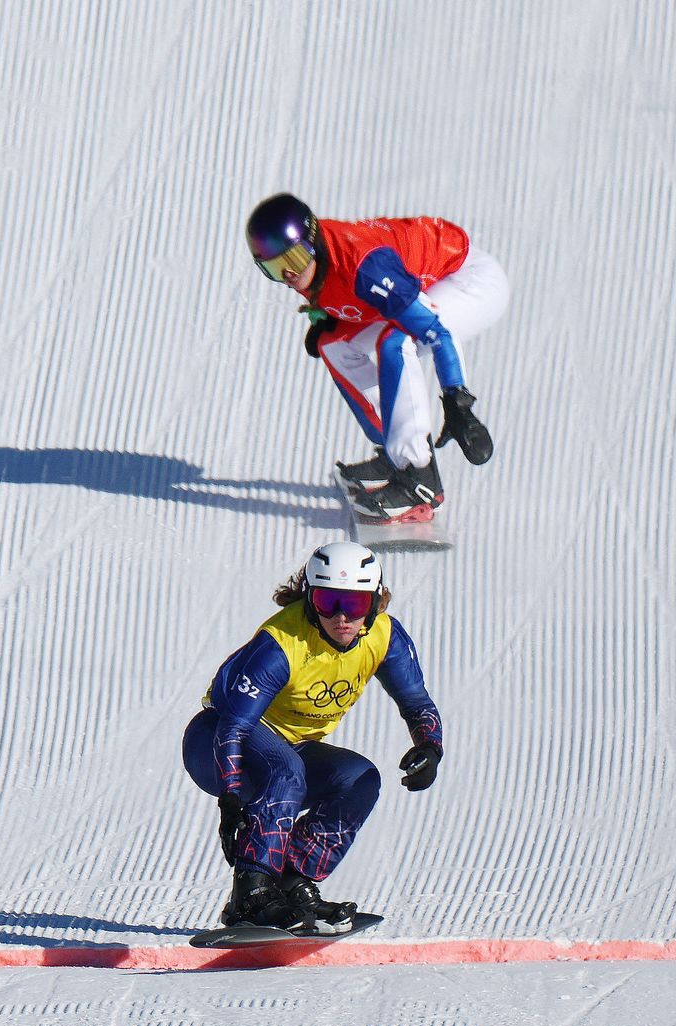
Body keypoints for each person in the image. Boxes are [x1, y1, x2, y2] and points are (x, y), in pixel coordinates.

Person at [180, 541, 444, 932]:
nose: (340, 617)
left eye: (353, 604)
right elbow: (233, 727)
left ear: (374, 603)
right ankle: (251, 894)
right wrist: (231, 798)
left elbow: (417, 702)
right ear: (309, 601)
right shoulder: (283, 644)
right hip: (216, 741)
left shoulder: (385, 637)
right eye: (326, 601)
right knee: (285, 770)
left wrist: (429, 747)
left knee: (360, 779)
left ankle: (289, 879)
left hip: (288, 748)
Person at [245, 193, 510, 523]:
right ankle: (402, 451)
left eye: (295, 260)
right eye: (273, 268)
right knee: (335, 345)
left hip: (469, 279)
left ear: (312, 241)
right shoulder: (316, 261)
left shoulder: (363, 268)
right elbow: (335, 291)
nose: (288, 275)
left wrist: (457, 401)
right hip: (419, 283)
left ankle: (419, 480)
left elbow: (436, 332)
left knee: (395, 341)